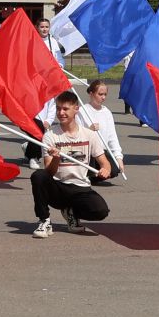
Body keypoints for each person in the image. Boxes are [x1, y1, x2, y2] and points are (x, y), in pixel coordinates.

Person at [31, 91, 112, 236]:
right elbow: (49, 172)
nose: (61, 113)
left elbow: (105, 163)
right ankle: (44, 221)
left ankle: (71, 212)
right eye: (58, 109)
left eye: (65, 109)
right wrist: (56, 158)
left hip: (80, 186)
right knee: (38, 176)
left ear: (76, 109)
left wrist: (105, 170)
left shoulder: (89, 135)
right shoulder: (50, 135)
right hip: (57, 187)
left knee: (101, 211)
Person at [77, 79, 125, 180]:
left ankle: (94, 174)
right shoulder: (82, 111)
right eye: (100, 94)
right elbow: (75, 134)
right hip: (86, 151)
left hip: (101, 152)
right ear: (91, 94)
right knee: (90, 169)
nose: (103, 97)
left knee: (115, 170)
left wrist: (118, 158)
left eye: (105, 94)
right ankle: (87, 173)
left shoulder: (106, 112)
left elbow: (112, 137)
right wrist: (88, 130)